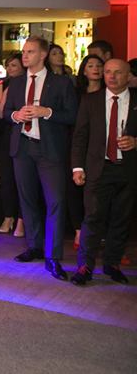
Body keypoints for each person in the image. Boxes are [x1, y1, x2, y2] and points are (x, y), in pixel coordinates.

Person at [4, 36, 78, 280]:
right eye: (24, 51)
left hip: (49, 149)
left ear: (43, 55)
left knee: (55, 201)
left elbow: (72, 115)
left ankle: (53, 256)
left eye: (30, 52)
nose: (25, 56)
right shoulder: (16, 83)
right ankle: (34, 246)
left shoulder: (61, 83)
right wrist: (15, 115)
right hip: (22, 147)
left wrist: (47, 112)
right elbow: (5, 112)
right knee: (27, 200)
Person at [70, 59, 135, 286]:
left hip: (128, 169)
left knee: (121, 219)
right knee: (93, 217)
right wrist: (77, 167)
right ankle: (85, 266)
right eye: (108, 72)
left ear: (128, 75)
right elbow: (80, 136)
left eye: (118, 72)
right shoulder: (91, 100)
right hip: (98, 168)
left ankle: (112, 264)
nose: (112, 76)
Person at [68, 54, 105, 249]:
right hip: (77, 143)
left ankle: (99, 234)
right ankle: (78, 232)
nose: (96, 69)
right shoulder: (76, 94)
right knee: (75, 189)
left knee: (98, 192)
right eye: (91, 65)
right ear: (84, 70)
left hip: (100, 147)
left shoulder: (109, 94)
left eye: (99, 65)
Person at [0, 52, 25, 236]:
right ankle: (8, 216)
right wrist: (4, 89)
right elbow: (0, 112)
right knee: (6, 178)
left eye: (14, 65)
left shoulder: (28, 84)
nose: (9, 69)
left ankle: (22, 218)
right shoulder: (3, 84)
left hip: (23, 133)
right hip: (5, 134)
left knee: (23, 179)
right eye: (8, 65)